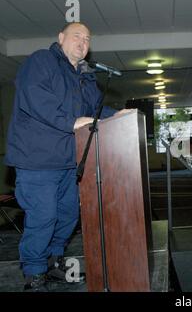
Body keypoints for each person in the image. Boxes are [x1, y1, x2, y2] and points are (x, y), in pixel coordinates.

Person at [4, 22, 129, 292]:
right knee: (43, 216)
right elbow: (35, 100)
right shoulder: (41, 61)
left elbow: (94, 108)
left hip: (69, 162)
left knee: (68, 215)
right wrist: (71, 121)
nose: (82, 42)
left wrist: (115, 115)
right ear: (61, 38)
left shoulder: (84, 75)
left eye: (87, 39)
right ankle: (35, 273)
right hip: (36, 161)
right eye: (77, 36)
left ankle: (53, 263)